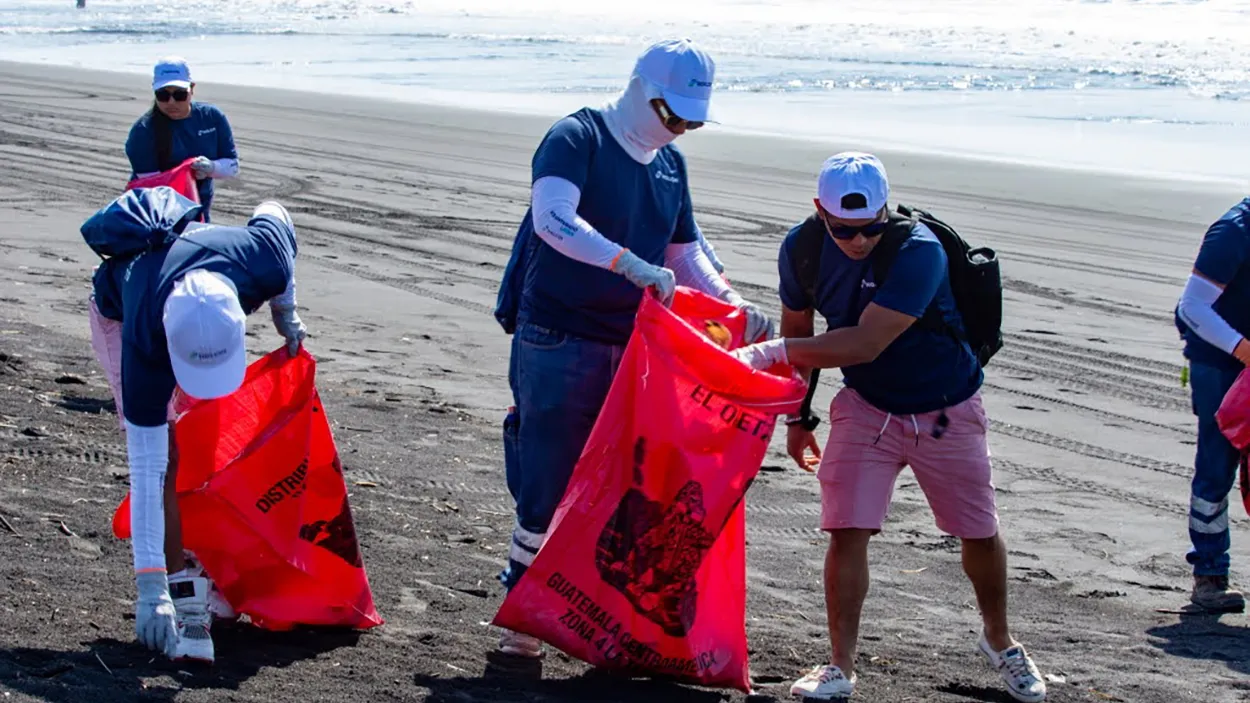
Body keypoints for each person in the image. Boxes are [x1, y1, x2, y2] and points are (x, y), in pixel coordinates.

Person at [491, 37, 775, 658]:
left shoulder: (671, 166)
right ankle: (521, 611)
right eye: (671, 115)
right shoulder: (578, 138)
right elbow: (553, 219)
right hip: (560, 334)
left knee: (630, 481)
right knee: (548, 469)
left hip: (635, 345)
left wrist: (732, 304)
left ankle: (590, 601)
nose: (678, 130)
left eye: (691, 121)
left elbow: (684, 252)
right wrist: (626, 264)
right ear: (640, 91)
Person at [729, 152, 1046, 702]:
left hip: (946, 409)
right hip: (867, 405)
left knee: (977, 531)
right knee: (847, 527)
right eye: (844, 230)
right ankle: (840, 666)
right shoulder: (802, 249)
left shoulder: (918, 250)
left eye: (871, 228)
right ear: (819, 212)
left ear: (886, 212)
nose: (858, 241)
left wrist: (771, 351)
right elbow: (801, 332)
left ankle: (1000, 641)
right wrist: (798, 416)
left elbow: (865, 341)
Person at [85, 188, 307, 664]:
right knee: (165, 457)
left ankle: (208, 555)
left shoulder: (261, 259)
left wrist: (285, 313)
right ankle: (180, 591)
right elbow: (145, 475)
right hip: (121, 316)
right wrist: (150, 591)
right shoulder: (143, 340)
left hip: (184, 289)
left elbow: (276, 213)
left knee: (212, 432)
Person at [1173, 196, 1250, 613]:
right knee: (1217, 470)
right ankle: (1209, 576)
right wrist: (1243, 350)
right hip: (1219, 367)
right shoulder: (1234, 230)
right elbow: (1193, 307)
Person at [125, 56, 239, 223]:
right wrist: (187, 176)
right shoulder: (143, 131)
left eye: (179, 94)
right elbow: (152, 187)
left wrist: (211, 167)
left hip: (199, 208)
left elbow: (232, 166)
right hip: (156, 217)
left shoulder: (212, 117)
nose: (171, 102)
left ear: (191, 89)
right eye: (163, 95)